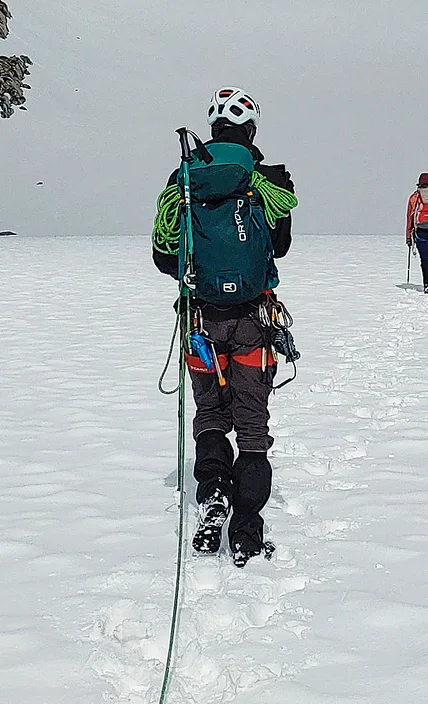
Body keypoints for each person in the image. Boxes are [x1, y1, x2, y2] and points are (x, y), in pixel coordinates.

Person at [151, 86, 296, 566]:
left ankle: (213, 490)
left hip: (201, 321)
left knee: (211, 413)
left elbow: (163, 256)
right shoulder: (269, 180)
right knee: (252, 426)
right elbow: (280, 248)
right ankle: (248, 528)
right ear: (251, 131)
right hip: (256, 319)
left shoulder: (184, 179)